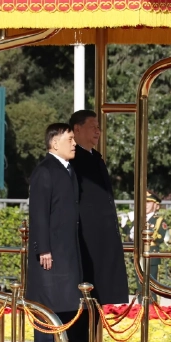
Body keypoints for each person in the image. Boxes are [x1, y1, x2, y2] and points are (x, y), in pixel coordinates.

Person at [26, 123, 85, 342]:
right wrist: (44, 249)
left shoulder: (69, 170)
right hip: (51, 252)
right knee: (46, 301)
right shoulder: (45, 171)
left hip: (67, 251)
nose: (74, 143)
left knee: (66, 301)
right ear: (54, 143)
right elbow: (39, 213)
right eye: (70, 138)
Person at [68, 110, 129, 318]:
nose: (97, 131)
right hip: (84, 238)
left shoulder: (96, 158)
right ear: (77, 129)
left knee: (98, 294)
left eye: (99, 127)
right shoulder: (72, 161)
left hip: (101, 237)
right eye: (92, 126)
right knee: (83, 295)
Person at [132, 190, 167, 289]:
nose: (145, 204)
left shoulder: (159, 220)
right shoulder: (137, 219)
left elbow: (159, 238)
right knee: (140, 288)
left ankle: (152, 305)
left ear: (156, 205)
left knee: (151, 288)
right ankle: (140, 305)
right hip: (139, 254)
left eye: (148, 202)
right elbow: (128, 238)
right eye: (143, 202)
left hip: (151, 255)